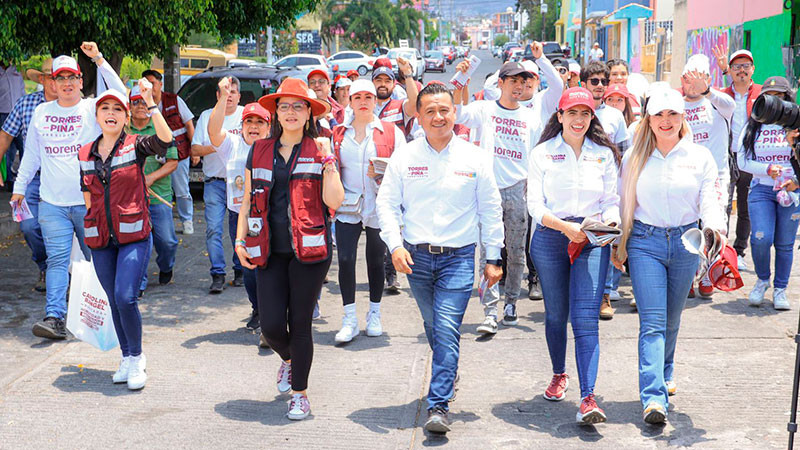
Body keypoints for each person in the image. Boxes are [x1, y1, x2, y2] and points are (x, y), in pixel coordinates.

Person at [376, 82, 504, 433]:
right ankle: (448, 372)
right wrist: (395, 245)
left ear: (455, 113)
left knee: (446, 328)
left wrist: (493, 257)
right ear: (418, 116)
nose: (438, 117)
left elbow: (491, 210)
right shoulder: (405, 157)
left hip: (458, 259)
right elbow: (387, 204)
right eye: (429, 110)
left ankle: (438, 405)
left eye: (444, 110)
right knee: (434, 327)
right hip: (416, 259)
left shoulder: (475, 157)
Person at [612, 87, 727, 424]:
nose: (666, 121)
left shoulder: (699, 157)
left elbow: (710, 199)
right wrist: (618, 243)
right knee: (652, 322)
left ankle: (665, 370)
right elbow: (621, 203)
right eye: (659, 114)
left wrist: (714, 230)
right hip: (644, 242)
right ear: (648, 119)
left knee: (672, 318)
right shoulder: (634, 157)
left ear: (683, 117)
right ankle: (653, 398)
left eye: (672, 114)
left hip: (686, 242)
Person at [235, 77, 344, 421]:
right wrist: (239, 240)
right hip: (268, 249)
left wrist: (328, 160)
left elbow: (334, 201)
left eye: (299, 106)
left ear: (310, 112)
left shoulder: (320, 148)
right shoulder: (259, 150)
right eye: (284, 106)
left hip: (309, 252)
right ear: (276, 113)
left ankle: (300, 395)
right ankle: (289, 360)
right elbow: (247, 201)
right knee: (269, 326)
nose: (291, 112)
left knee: (299, 323)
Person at [12, 42, 126, 340]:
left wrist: (99, 59)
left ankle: (109, 316)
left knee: (98, 260)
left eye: (71, 77)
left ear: (80, 80)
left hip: (89, 202)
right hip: (52, 203)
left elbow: (121, 95)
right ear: (52, 83)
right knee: (57, 261)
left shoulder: (91, 108)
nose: (66, 83)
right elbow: (31, 155)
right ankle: (54, 318)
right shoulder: (41, 112)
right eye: (60, 78)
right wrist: (19, 188)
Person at [529, 87, 621, 424]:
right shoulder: (542, 153)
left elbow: (611, 200)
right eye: (572, 113)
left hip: (592, 239)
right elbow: (534, 205)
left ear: (592, 117)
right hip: (551, 237)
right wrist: (565, 227)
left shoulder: (603, 154)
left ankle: (588, 397)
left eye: (585, 113)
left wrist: (611, 224)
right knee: (556, 314)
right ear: (560, 116)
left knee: (585, 318)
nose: (578, 120)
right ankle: (558, 373)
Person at [78, 81, 173, 390]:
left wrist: (151, 103)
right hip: (101, 239)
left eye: (117, 109)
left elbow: (166, 140)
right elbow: (87, 194)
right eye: (105, 108)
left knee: (125, 296)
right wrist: (91, 224)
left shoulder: (136, 145)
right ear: (97, 116)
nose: (111, 113)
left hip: (134, 236)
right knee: (113, 300)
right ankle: (126, 357)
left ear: (126, 116)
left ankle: (137, 358)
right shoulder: (85, 153)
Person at [452, 60, 540, 334]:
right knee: (488, 253)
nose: (518, 86)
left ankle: (511, 303)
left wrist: (533, 189)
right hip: (488, 190)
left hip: (517, 189)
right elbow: (457, 113)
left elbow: (537, 156)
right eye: (513, 81)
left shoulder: (531, 118)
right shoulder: (485, 109)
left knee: (516, 253)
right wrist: (461, 78)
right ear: (500, 83)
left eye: (522, 82)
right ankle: (489, 311)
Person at [330, 79, 405, 343]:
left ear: (375, 101)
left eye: (368, 97)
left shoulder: (391, 132)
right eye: (357, 97)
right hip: (347, 204)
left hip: (378, 204)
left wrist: (382, 174)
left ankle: (375, 313)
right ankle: (349, 317)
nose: (363, 102)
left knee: (375, 260)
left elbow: (403, 169)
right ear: (349, 101)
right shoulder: (338, 133)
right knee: (345, 259)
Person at [207, 77, 269, 330]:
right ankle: (258, 308)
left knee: (270, 265)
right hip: (240, 217)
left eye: (259, 122)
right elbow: (213, 132)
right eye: (248, 122)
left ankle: (273, 309)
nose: (253, 127)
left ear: (268, 126)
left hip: (268, 216)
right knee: (249, 266)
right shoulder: (231, 144)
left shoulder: (275, 147)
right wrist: (223, 97)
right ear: (241, 126)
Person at [736, 77, 799, 310]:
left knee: (785, 243)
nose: (774, 101)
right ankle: (763, 280)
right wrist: (766, 169)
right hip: (761, 189)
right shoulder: (752, 126)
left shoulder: (795, 124)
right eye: (769, 96)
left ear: (787, 98)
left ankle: (780, 289)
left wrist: (795, 181)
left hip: (791, 191)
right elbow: (742, 161)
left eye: (779, 96)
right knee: (760, 238)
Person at [680, 54, 735, 299]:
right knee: (689, 226)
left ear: (709, 79)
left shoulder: (718, 103)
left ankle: (708, 275)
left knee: (713, 228)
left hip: (716, 177)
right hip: (686, 174)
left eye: (699, 77)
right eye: (688, 77)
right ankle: (690, 276)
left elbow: (730, 105)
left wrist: (707, 91)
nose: (693, 82)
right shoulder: (676, 106)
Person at [0, 57, 57, 292]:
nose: (59, 82)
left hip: (65, 178)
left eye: (64, 77)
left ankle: (63, 272)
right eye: (53, 77)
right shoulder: (26, 104)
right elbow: (6, 135)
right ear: (42, 80)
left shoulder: (77, 105)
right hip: (30, 177)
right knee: (27, 226)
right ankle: (45, 265)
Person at [191, 76, 244, 293]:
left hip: (240, 183)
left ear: (239, 96)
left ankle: (240, 269)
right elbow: (195, 149)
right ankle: (218, 273)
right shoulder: (207, 116)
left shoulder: (245, 116)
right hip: (214, 183)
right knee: (213, 229)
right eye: (224, 92)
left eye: (233, 92)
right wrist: (220, 144)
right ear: (217, 95)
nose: (228, 96)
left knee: (239, 229)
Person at [126, 85, 179, 296]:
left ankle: (166, 266)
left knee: (167, 241)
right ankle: (140, 282)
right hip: (131, 198)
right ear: (129, 106)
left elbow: (173, 162)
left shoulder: (161, 127)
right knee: (140, 240)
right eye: (135, 102)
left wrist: (151, 178)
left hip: (159, 196)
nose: (140, 106)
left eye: (143, 101)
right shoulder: (123, 129)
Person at [713, 47, 762, 270]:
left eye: (745, 66)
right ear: (729, 71)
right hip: (727, 157)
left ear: (753, 69)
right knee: (722, 204)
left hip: (752, 156)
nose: (741, 70)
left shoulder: (762, 94)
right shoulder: (722, 96)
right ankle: (721, 251)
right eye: (736, 67)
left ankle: (739, 251)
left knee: (745, 206)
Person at [141, 69, 196, 235]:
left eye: (153, 83)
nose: (150, 87)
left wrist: (195, 150)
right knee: (153, 187)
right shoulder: (140, 103)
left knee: (181, 189)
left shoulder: (174, 100)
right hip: (152, 155)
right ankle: (155, 222)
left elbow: (189, 125)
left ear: (160, 84)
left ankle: (187, 220)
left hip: (179, 153)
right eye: (146, 83)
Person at [0, 62, 25, 184]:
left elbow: (22, 91)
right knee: (7, 149)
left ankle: (25, 176)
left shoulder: (16, 72)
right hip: (3, 114)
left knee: (23, 145)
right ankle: (8, 179)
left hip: (19, 113)